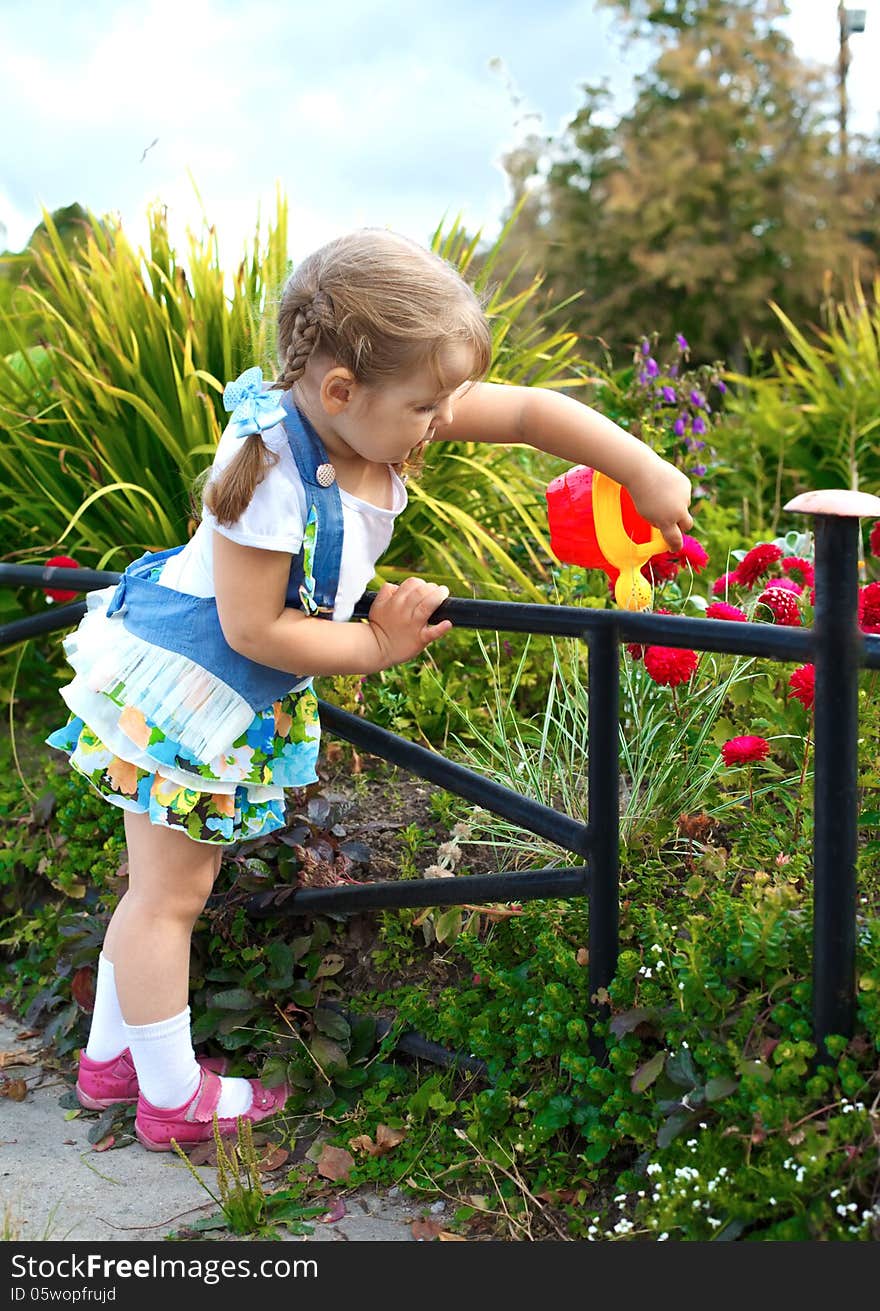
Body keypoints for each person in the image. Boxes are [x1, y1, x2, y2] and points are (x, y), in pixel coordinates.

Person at [45, 228, 693, 1152]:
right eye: (429, 405)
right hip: (191, 691)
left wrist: (643, 468)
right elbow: (252, 628)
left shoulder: (375, 404)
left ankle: (115, 1059)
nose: (442, 422)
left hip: (216, 690)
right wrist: (375, 642)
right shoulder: (270, 466)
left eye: (445, 400)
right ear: (342, 390)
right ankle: (170, 1096)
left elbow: (533, 413)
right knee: (166, 901)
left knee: (159, 888)